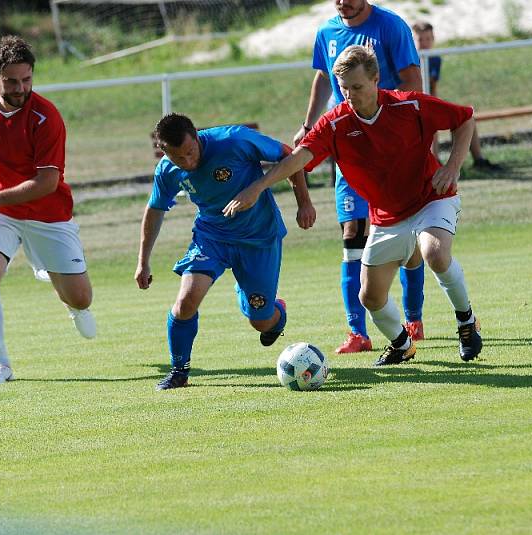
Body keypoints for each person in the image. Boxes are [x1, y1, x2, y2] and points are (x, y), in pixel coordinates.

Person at [225, 45, 483, 366]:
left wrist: (452, 166)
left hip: (431, 199)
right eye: (343, 88)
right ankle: (402, 345)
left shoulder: (410, 105)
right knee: (370, 297)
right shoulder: (334, 123)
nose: (350, 95)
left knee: (434, 252)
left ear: (376, 79)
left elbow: (465, 119)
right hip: (387, 217)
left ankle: (466, 322)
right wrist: (258, 186)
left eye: (357, 87)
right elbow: (298, 158)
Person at [0, 35, 96, 386]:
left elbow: (46, 183)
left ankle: (65, 293)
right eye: (12, 81)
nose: (20, 88)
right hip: (0, 211)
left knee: (81, 298)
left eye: (27, 79)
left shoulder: (47, 118)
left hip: (47, 213)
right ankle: (1, 365)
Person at [135, 113, 316, 390]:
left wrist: (303, 203)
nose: (187, 162)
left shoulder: (233, 140)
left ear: (196, 136)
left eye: (190, 152)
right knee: (186, 301)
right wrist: (143, 261)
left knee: (262, 321)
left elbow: (290, 155)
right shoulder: (167, 170)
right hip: (212, 237)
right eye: (177, 158)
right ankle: (179, 371)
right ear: (164, 151)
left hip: (259, 237)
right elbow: (155, 209)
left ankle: (276, 310)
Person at [292, 0, 427, 354]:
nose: (343, 2)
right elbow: (323, 77)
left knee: (407, 239)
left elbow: (413, 79)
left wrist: (419, 131)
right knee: (351, 233)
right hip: (350, 150)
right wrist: (308, 125)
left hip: (393, 150)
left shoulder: (391, 26)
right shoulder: (326, 32)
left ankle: (414, 317)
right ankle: (357, 332)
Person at [411, 21, 502, 170]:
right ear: (412, 40)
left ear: (433, 39)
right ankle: (434, 162)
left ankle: (478, 160)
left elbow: (433, 87)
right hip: (412, 104)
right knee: (428, 121)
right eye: (420, 39)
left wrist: (435, 104)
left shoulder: (435, 59)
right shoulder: (409, 58)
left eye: (428, 39)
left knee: (466, 116)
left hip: (429, 101)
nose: (424, 43)